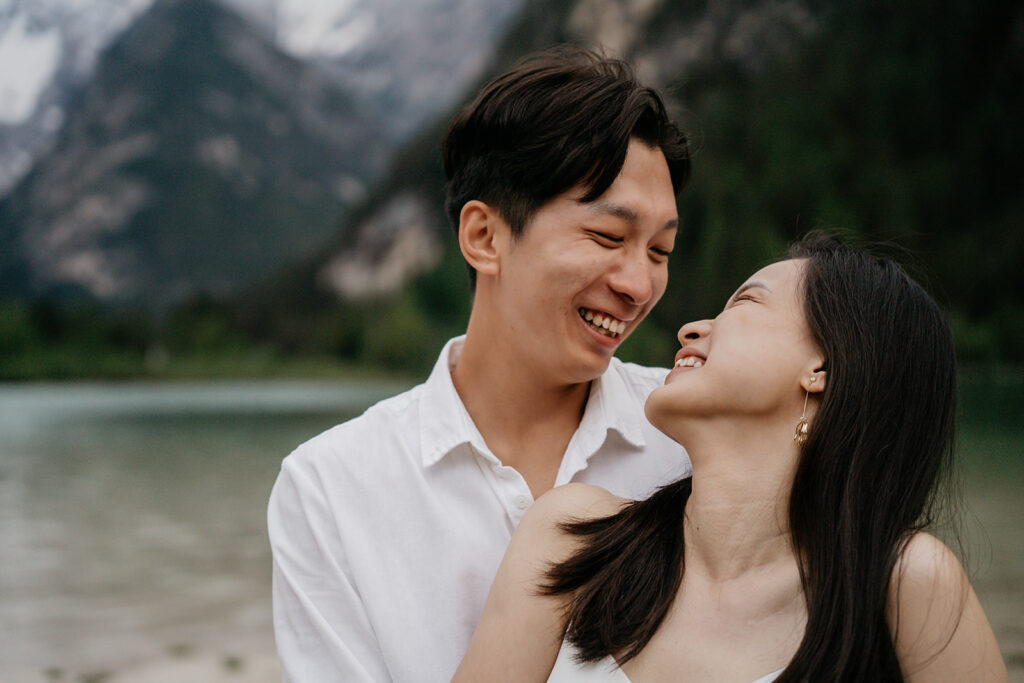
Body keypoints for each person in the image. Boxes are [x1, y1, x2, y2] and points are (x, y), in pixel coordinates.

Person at [268, 46, 692, 682]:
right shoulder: (330, 489)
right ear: (485, 238)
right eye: (608, 237)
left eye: (659, 250)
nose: (639, 284)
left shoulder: (693, 433)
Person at [454, 235, 1008, 682]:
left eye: (744, 302)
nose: (691, 328)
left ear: (822, 369)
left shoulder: (903, 582)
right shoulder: (574, 536)